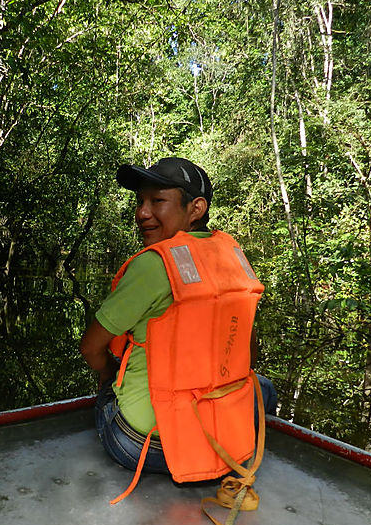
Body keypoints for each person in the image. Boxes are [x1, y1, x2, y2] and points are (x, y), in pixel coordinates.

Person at [80, 157, 278, 478]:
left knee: (108, 381)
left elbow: (90, 348)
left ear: (196, 208)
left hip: (148, 448)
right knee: (264, 387)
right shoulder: (234, 259)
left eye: (157, 201)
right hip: (222, 440)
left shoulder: (152, 265)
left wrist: (108, 374)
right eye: (140, 201)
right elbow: (249, 355)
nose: (142, 213)